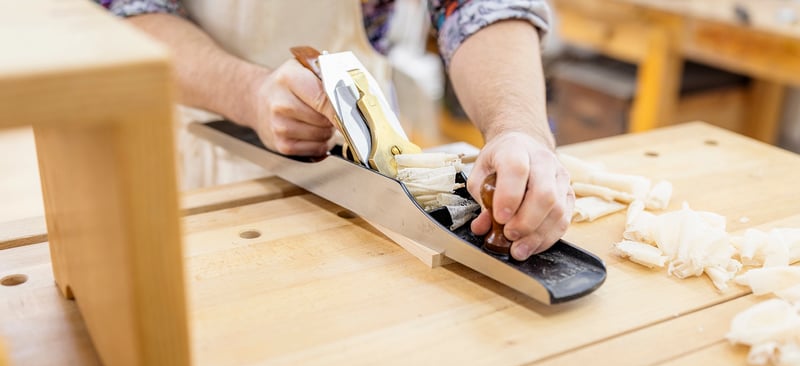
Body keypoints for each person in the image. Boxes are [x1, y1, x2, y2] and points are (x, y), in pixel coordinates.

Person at [95, 0, 574, 260]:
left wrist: (519, 127)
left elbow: (476, 6)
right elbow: (124, 12)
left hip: (358, 158)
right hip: (193, 140)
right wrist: (248, 93)